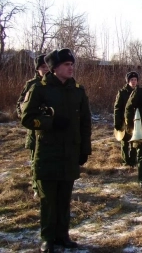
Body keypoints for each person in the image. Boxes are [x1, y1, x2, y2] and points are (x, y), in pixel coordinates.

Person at [21, 48, 92, 252]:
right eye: (67, 65)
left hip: (70, 152)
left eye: (72, 65)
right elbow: (26, 118)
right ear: (55, 68)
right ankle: (48, 238)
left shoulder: (78, 90)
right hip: (47, 152)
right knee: (48, 199)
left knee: (64, 198)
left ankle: (63, 235)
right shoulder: (39, 89)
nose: (71, 68)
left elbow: (85, 122)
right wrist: (49, 122)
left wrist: (84, 149)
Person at [16, 54, 49, 197]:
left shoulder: (55, 84)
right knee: (36, 160)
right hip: (35, 130)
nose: (46, 69)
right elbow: (20, 105)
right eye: (43, 67)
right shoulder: (32, 85)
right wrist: (28, 118)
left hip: (51, 130)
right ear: (37, 70)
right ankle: (37, 187)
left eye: (48, 66)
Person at [114, 71, 139, 167]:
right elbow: (117, 108)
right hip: (124, 121)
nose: (133, 82)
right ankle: (125, 161)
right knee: (124, 142)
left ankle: (133, 161)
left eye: (135, 80)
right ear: (128, 81)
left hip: (135, 121)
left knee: (135, 141)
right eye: (132, 80)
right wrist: (118, 122)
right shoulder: (122, 92)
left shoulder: (139, 91)